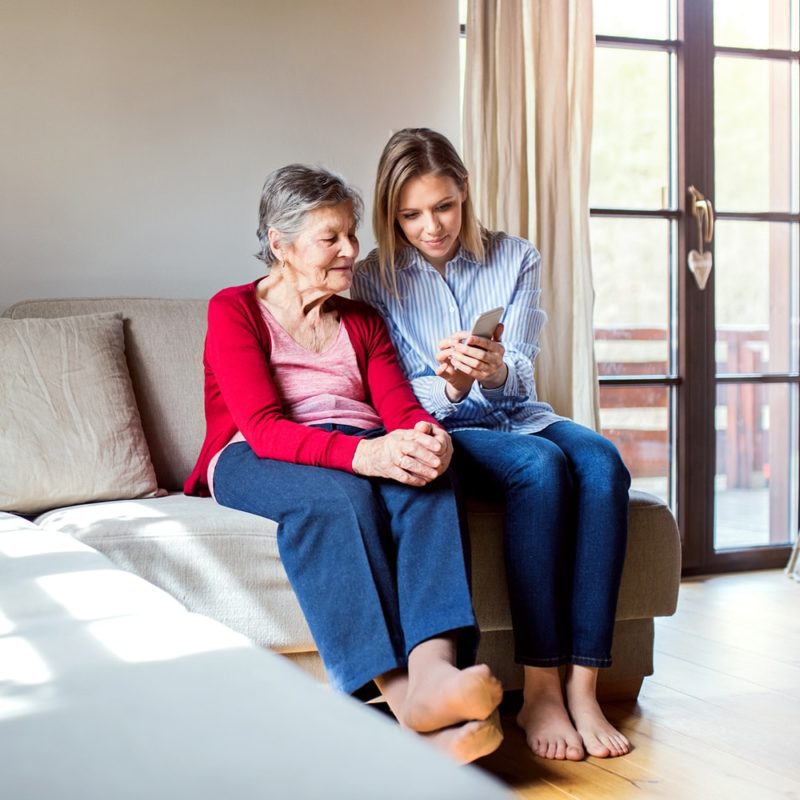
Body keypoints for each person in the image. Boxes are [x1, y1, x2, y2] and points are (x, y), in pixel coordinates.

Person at [184, 164, 504, 764]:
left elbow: (401, 409)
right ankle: (406, 699)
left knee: (429, 479)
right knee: (337, 498)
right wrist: (367, 454)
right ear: (281, 246)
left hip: (354, 444)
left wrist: (426, 440)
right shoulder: (233, 310)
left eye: (351, 234)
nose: (351, 251)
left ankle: (435, 670)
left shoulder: (361, 319)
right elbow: (263, 428)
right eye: (331, 238)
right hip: (252, 455)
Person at [352, 128, 632, 761]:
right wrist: (451, 388)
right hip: (447, 429)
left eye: (443, 206)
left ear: (466, 193)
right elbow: (388, 394)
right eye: (411, 214)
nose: (432, 227)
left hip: (517, 412)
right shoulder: (373, 280)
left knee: (600, 461)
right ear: (391, 214)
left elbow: (524, 373)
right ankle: (539, 689)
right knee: (540, 466)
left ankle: (584, 687)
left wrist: (496, 370)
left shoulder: (516, 257)